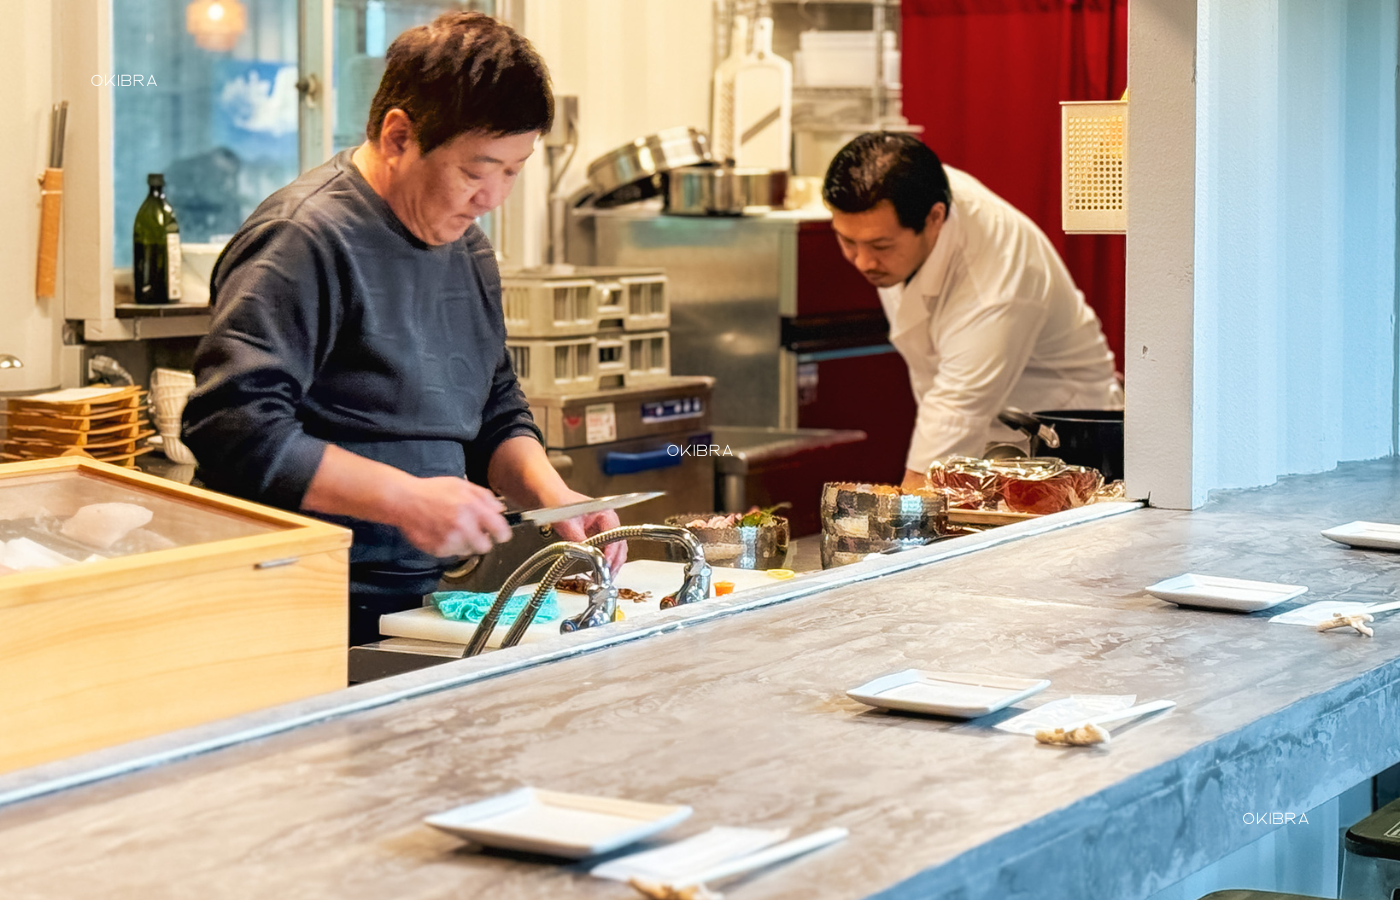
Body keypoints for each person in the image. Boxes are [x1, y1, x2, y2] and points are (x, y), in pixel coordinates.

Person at [182, 12, 623, 645]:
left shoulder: (467, 250)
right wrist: (404, 499)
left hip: (418, 607)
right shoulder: (303, 239)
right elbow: (233, 427)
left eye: (513, 171)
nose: (492, 197)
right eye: (476, 171)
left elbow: (495, 409)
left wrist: (557, 501)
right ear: (398, 136)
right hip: (293, 608)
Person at [822, 132, 1122, 491]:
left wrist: (900, 526)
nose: (862, 261)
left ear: (935, 218)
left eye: (880, 245)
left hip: (1064, 446)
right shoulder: (914, 191)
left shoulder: (995, 276)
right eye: (846, 241)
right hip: (985, 444)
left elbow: (955, 410)